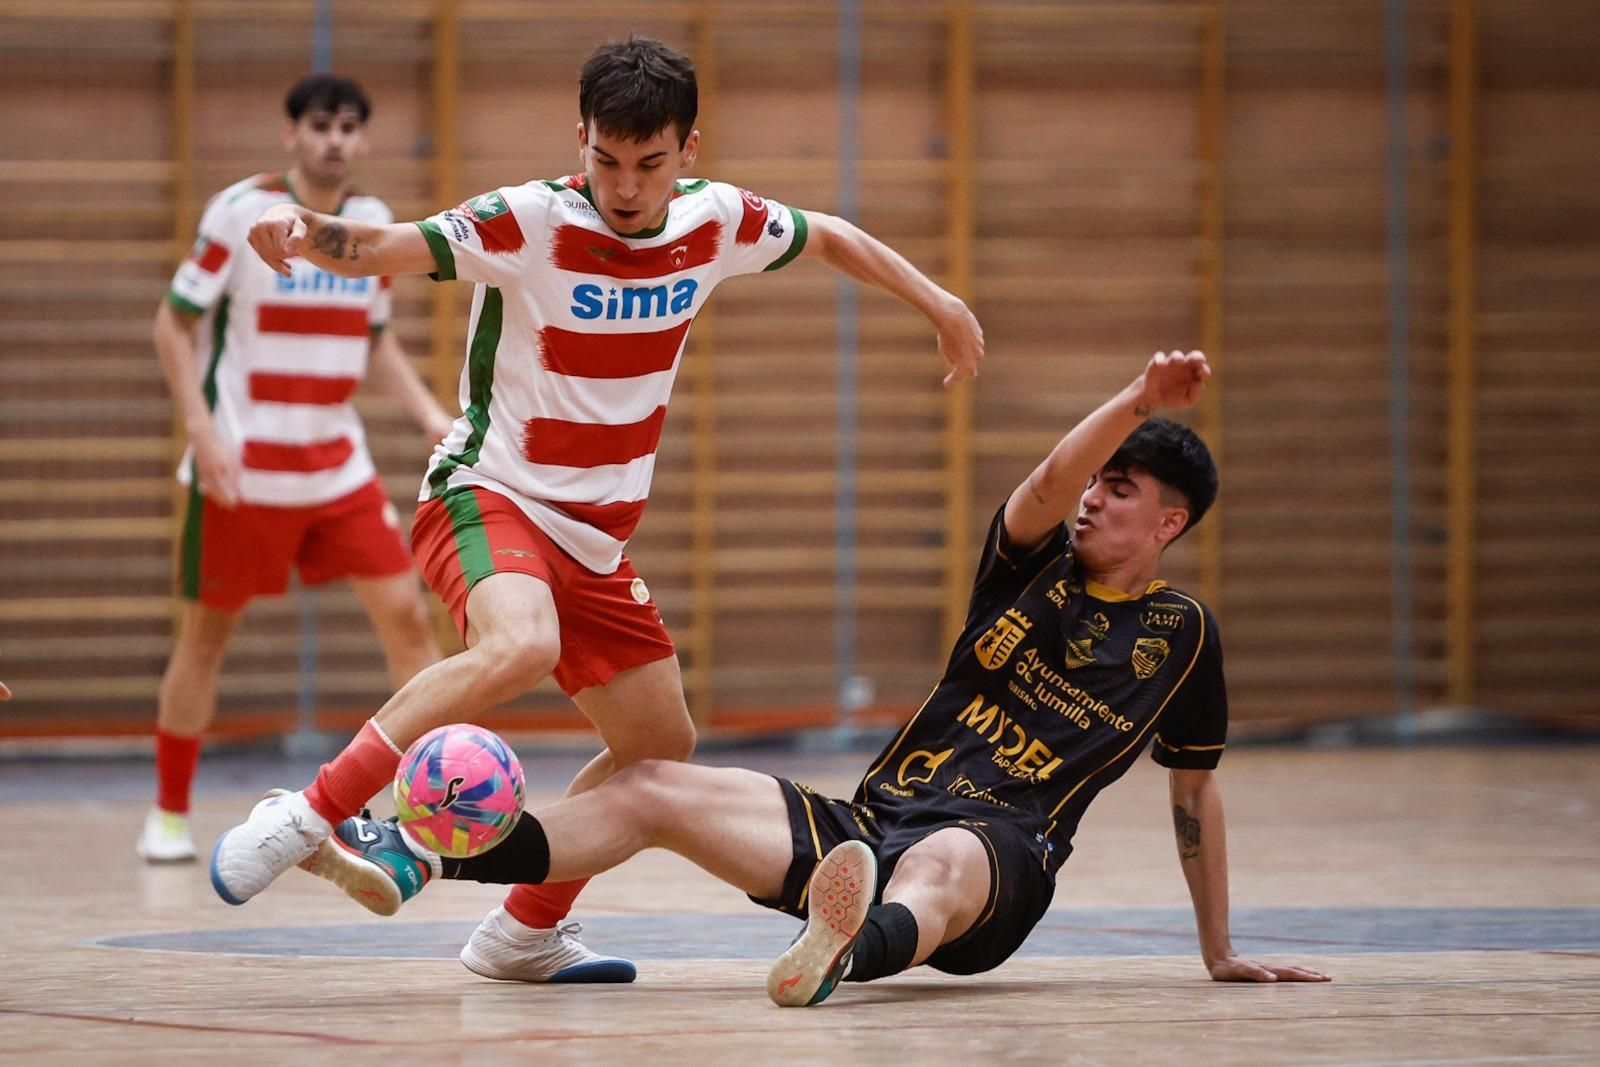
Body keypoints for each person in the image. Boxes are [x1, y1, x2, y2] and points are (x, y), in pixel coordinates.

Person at [210, 36, 985, 984]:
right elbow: (383, 246)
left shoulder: (717, 223)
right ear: (579, 139)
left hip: (594, 540)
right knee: (520, 646)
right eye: (605, 160)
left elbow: (828, 234)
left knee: (661, 746)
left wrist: (938, 298)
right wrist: (306, 229)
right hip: (486, 494)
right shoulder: (526, 221)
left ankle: (523, 931)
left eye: (649, 164)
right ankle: (309, 815)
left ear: (687, 151)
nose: (625, 185)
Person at [299, 349, 1331, 1003]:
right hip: (867, 823)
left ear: (1169, 523)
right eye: (1097, 481)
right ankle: (420, 857)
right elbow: (1041, 481)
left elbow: (1192, 787)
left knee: (947, 864)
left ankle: (849, 949)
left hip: (999, 856)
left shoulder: (1182, 634)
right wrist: (1134, 399)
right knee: (648, 781)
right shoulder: (1028, 564)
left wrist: (1219, 948)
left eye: (1122, 490)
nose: (1092, 500)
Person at [138, 74, 453, 864]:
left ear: (365, 140)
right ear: (292, 135)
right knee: (206, 635)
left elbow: (373, 340)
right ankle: (169, 814)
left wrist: (428, 415)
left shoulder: (374, 225)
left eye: (350, 126)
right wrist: (202, 429)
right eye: (320, 125)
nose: (335, 139)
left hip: (336, 464)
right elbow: (173, 327)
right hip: (243, 465)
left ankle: (433, 810)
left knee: (409, 617)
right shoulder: (239, 211)